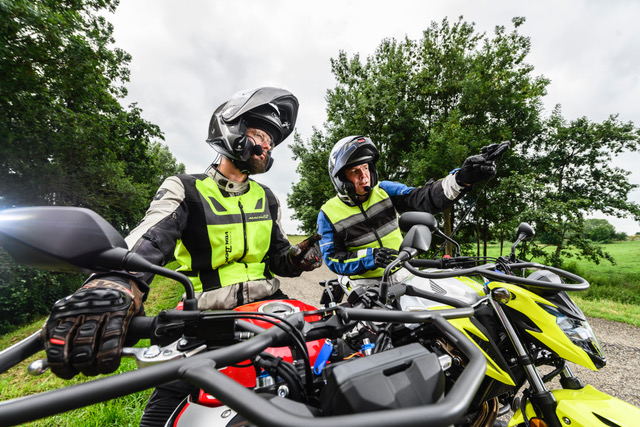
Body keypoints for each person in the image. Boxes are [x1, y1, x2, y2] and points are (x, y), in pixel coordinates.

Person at [40, 87, 322, 425]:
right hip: (207, 319)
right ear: (230, 129)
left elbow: (277, 257)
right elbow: (149, 238)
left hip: (271, 309)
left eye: (272, 142)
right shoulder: (186, 188)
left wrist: (295, 259)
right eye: (260, 134)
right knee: (160, 419)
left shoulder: (268, 198)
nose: (266, 147)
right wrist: (114, 283)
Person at [317, 135, 505, 289]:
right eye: (355, 171)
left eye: (366, 168)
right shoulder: (328, 213)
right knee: (375, 333)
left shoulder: (384, 191)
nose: (364, 176)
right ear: (341, 178)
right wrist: (370, 257)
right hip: (363, 285)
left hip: (404, 273)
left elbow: (424, 197)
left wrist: (461, 179)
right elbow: (334, 259)